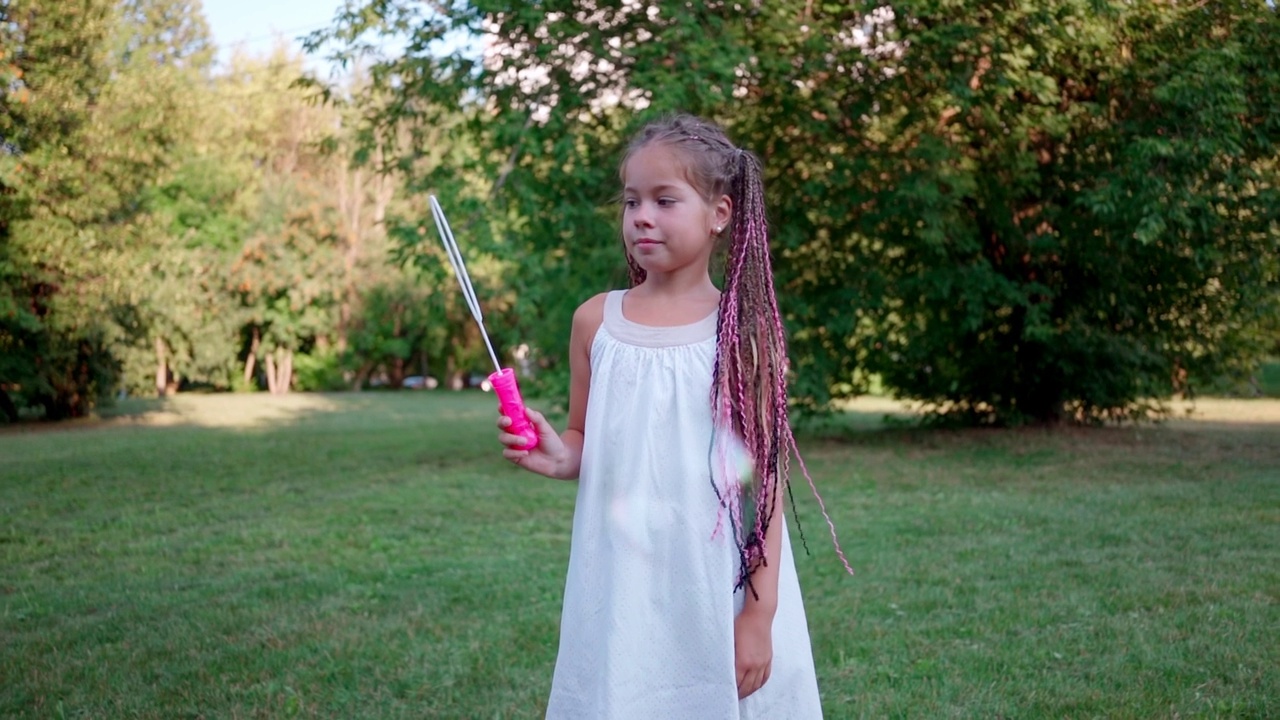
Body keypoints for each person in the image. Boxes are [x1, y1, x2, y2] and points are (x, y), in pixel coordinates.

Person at [497, 114, 848, 719]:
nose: (641, 216)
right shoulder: (595, 322)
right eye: (631, 201)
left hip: (715, 581)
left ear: (720, 213)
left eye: (665, 199)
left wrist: (758, 616)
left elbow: (761, 484)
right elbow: (585, 439)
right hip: (621, 581)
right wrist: (560, 455)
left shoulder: (741, 334)